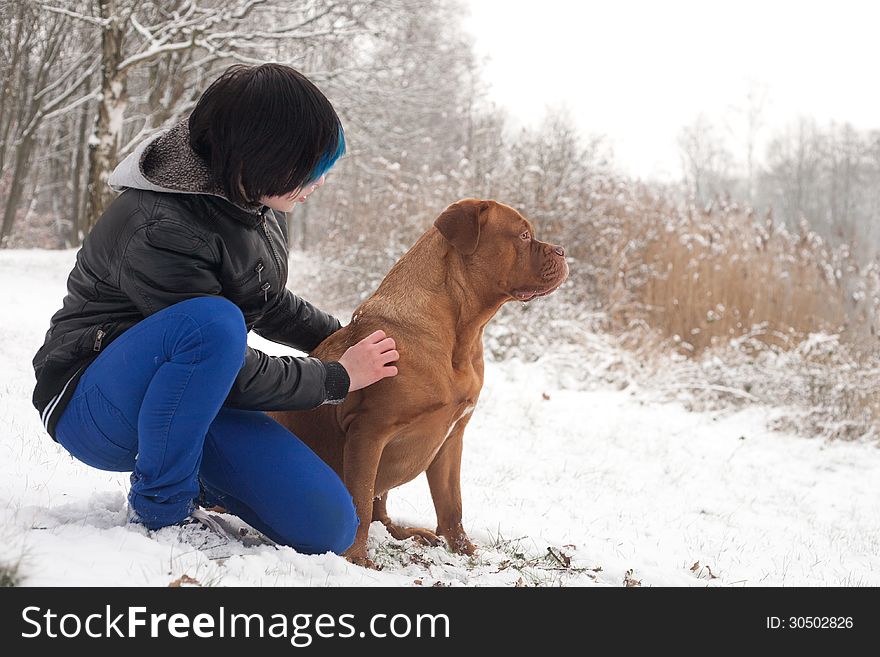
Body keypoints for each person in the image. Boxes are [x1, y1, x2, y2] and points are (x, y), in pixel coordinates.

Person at [30, 63, 400, 555]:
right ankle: (162, 510)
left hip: (191, 399)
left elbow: (266, 302)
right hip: (93, 402)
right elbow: (221, 354)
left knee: (328, 526)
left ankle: (201, 477)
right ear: (261, 155)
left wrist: (344, 340)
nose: (321, 178)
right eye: (309, 165)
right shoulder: (159, 224)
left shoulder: (250, 200)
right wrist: (334, 378)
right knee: (214, 323)